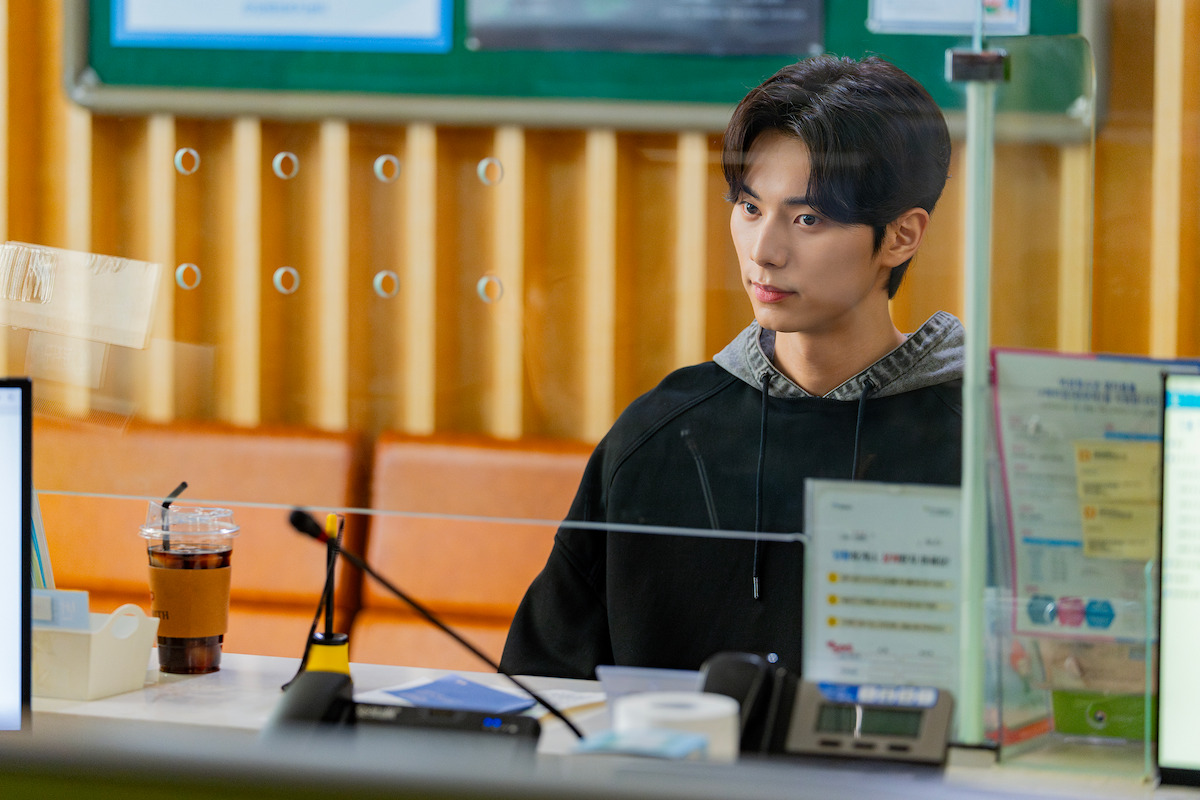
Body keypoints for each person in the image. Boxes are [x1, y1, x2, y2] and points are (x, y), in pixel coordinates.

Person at [499, 54, 963, 680]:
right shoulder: (660, 431)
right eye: (749, 208)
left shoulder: (984, 436)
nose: (764, 252)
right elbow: (542, 682)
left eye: (808, 219)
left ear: (901, 236)